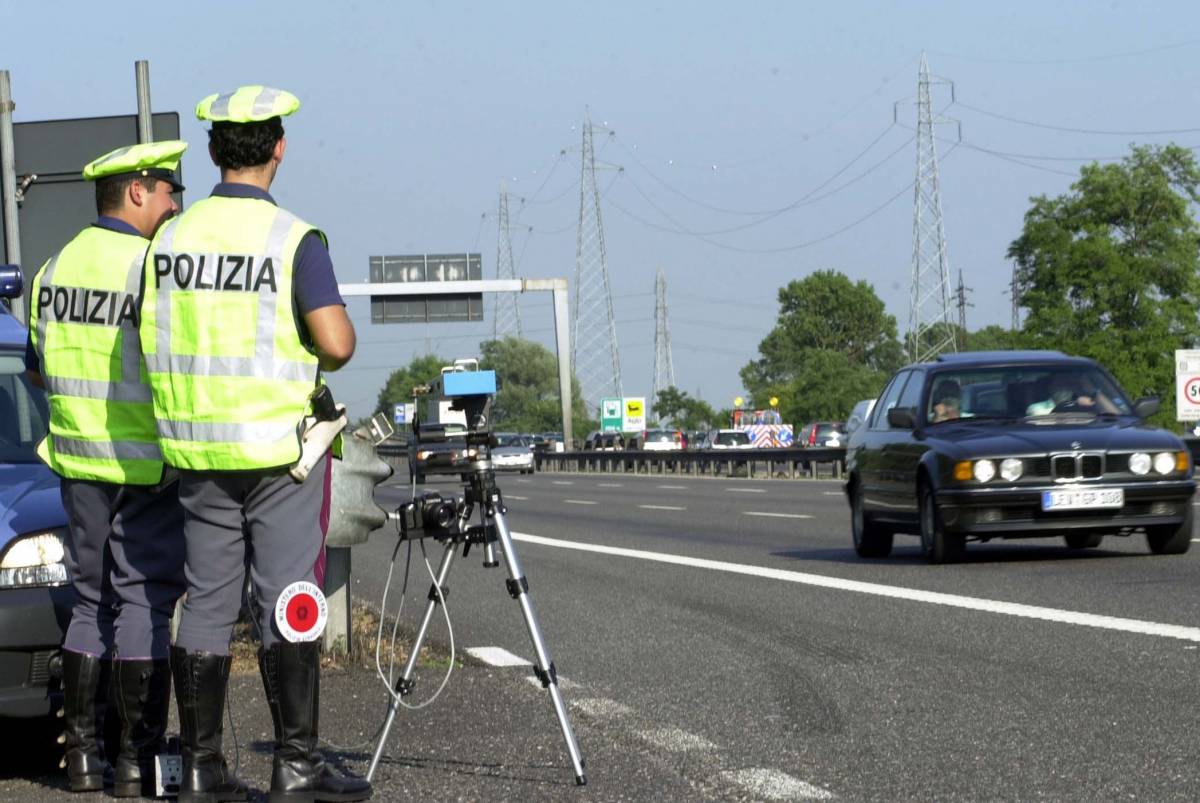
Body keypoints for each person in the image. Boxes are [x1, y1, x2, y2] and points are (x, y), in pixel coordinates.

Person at [138, 86, 367, 803]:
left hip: (198, 453)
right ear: (279, 148)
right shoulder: (292, 240)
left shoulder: (169, 239)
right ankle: (294, 763)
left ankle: (202, 767)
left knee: (204, 602)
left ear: (211, 152)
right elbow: (335, 345)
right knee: (288, 600)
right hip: (277, 454)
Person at [26, 141, 188, 796]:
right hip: (143, 465)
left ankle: (84, 756)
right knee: (145, 600)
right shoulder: (151, 265)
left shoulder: (52, 268)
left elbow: (38, 369)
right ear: (136, 191)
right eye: (168, 191)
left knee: (90, 602)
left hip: (76, 463)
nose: (175, 204)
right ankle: (135, 760)